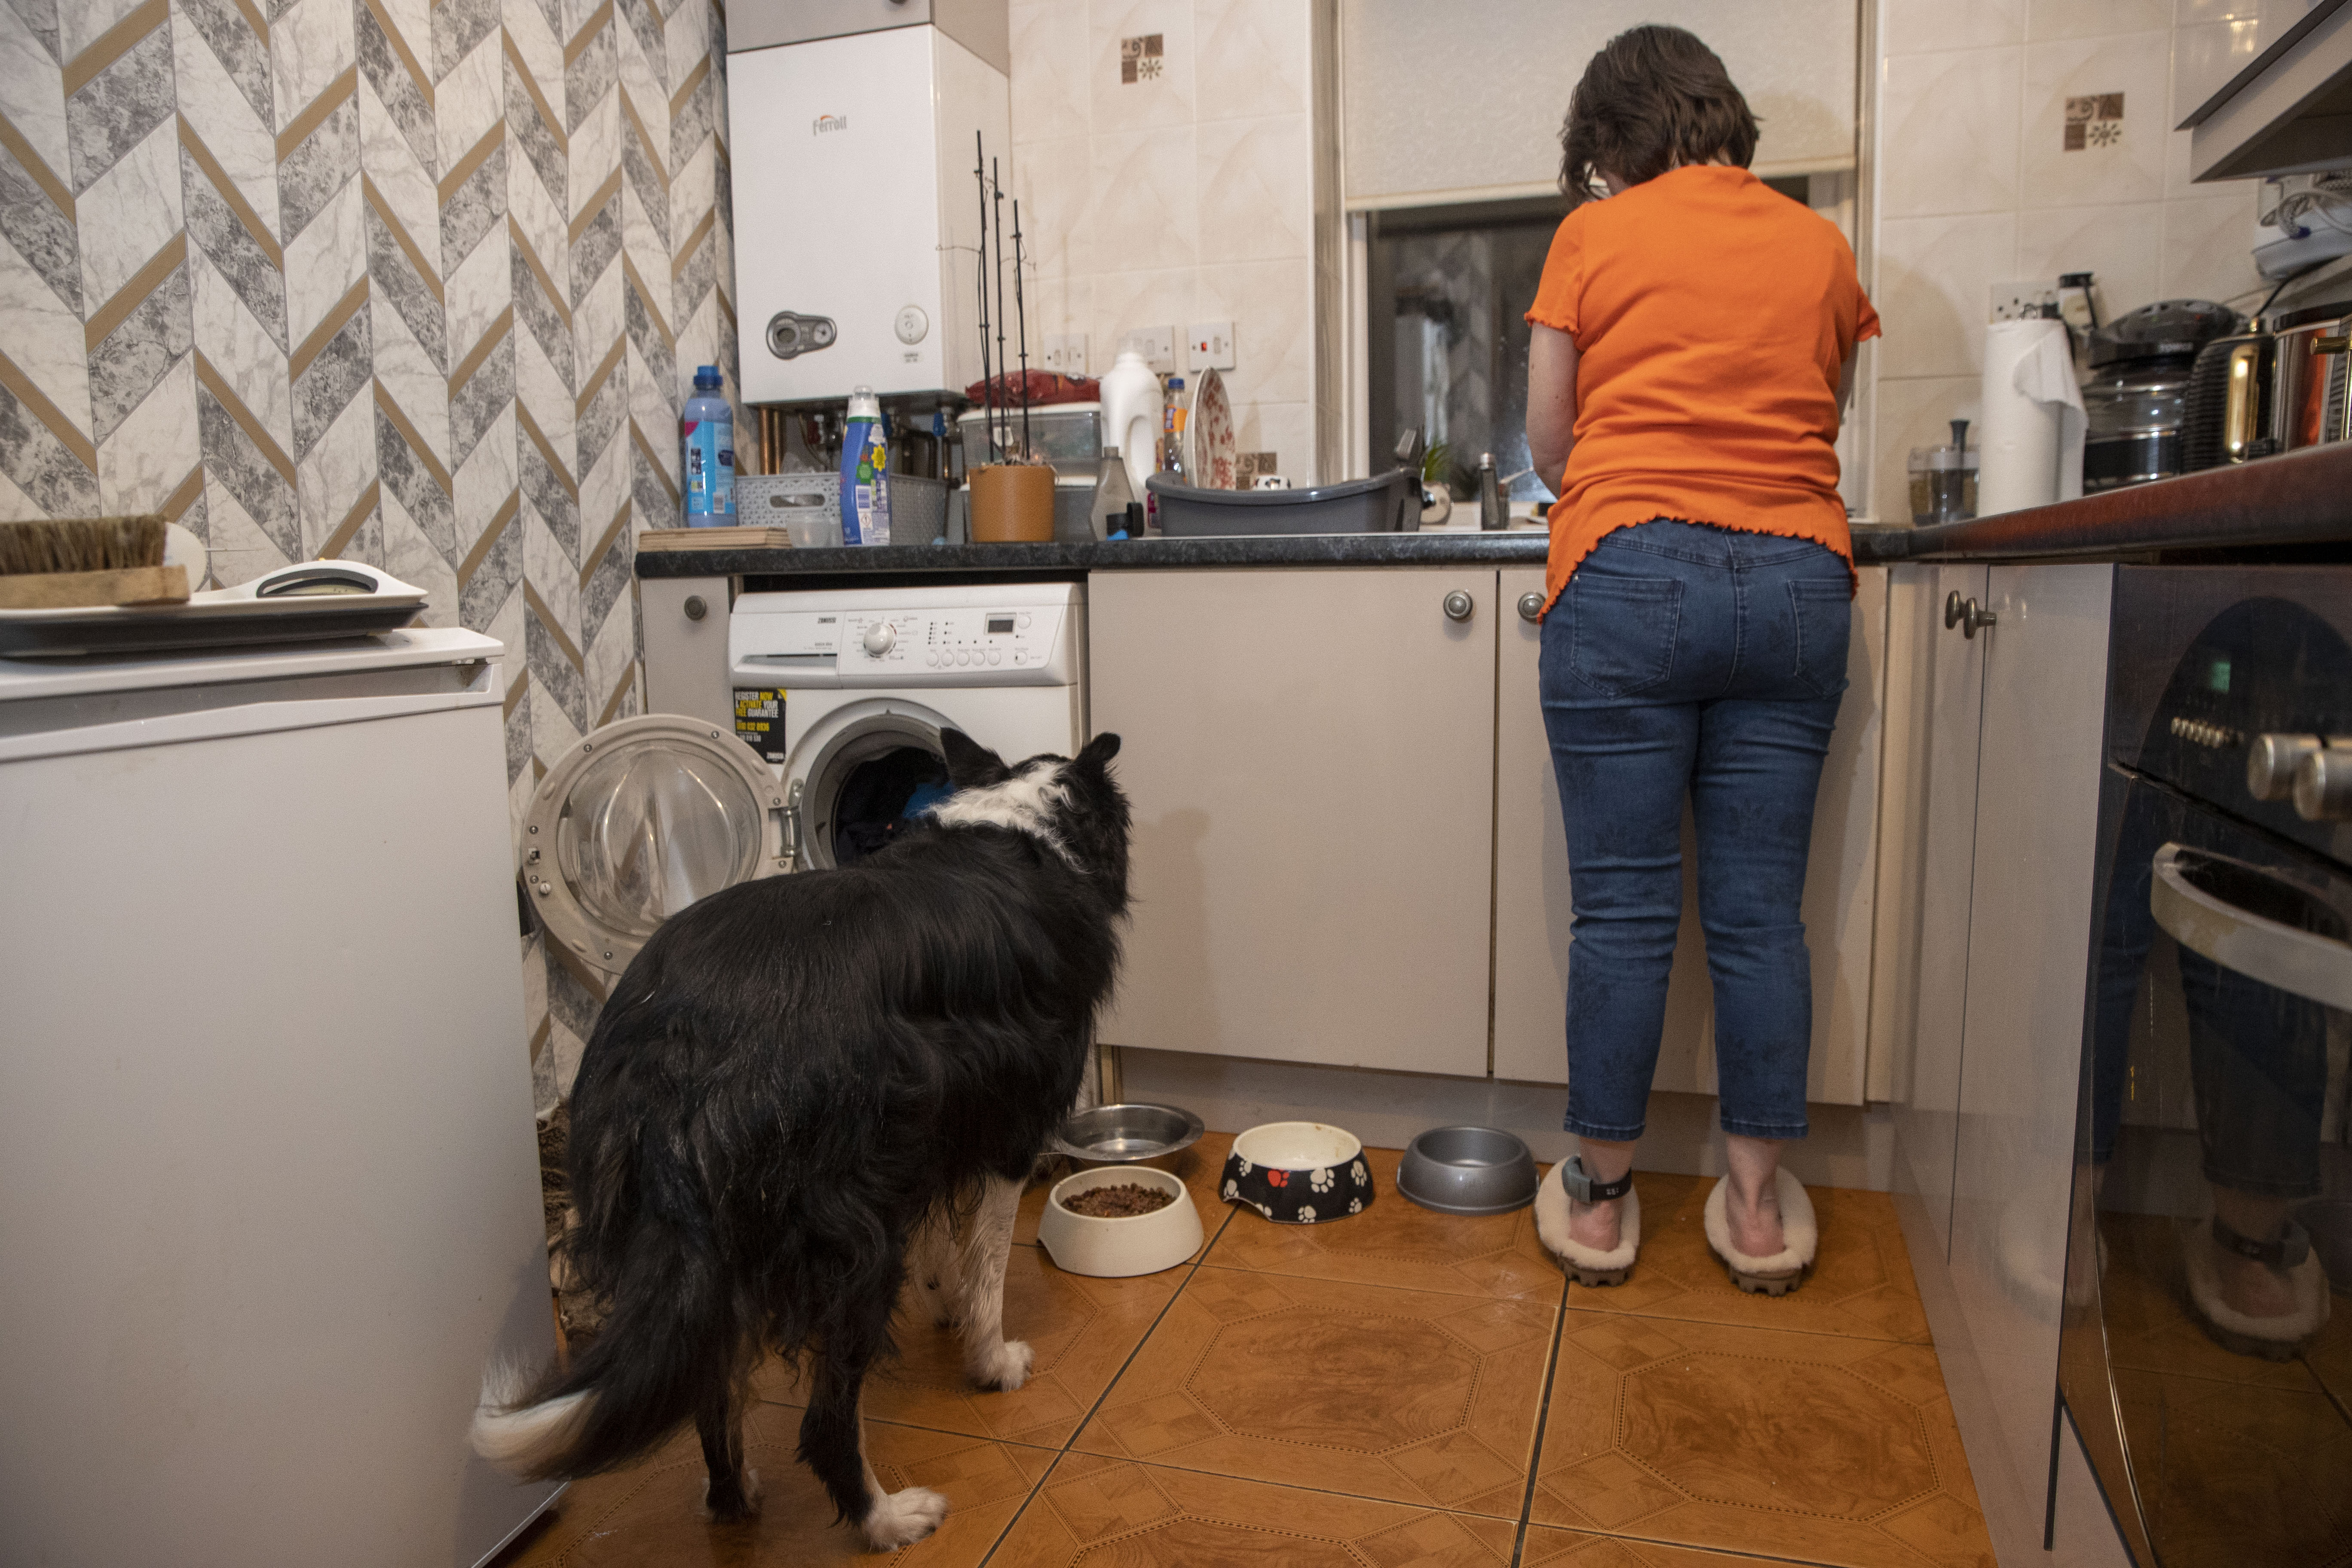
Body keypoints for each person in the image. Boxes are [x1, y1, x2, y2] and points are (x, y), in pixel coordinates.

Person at [1522, 25, 1878, 1295]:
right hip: (1794, 585)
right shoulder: (1821, 245)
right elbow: (1814, 417)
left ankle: (1605, 1203)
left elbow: (1553, 445)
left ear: (1611, 145)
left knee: (1622, 909)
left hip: (1626, 575)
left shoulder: (1592, 237)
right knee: (1760, 914)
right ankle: (1760, 1208)